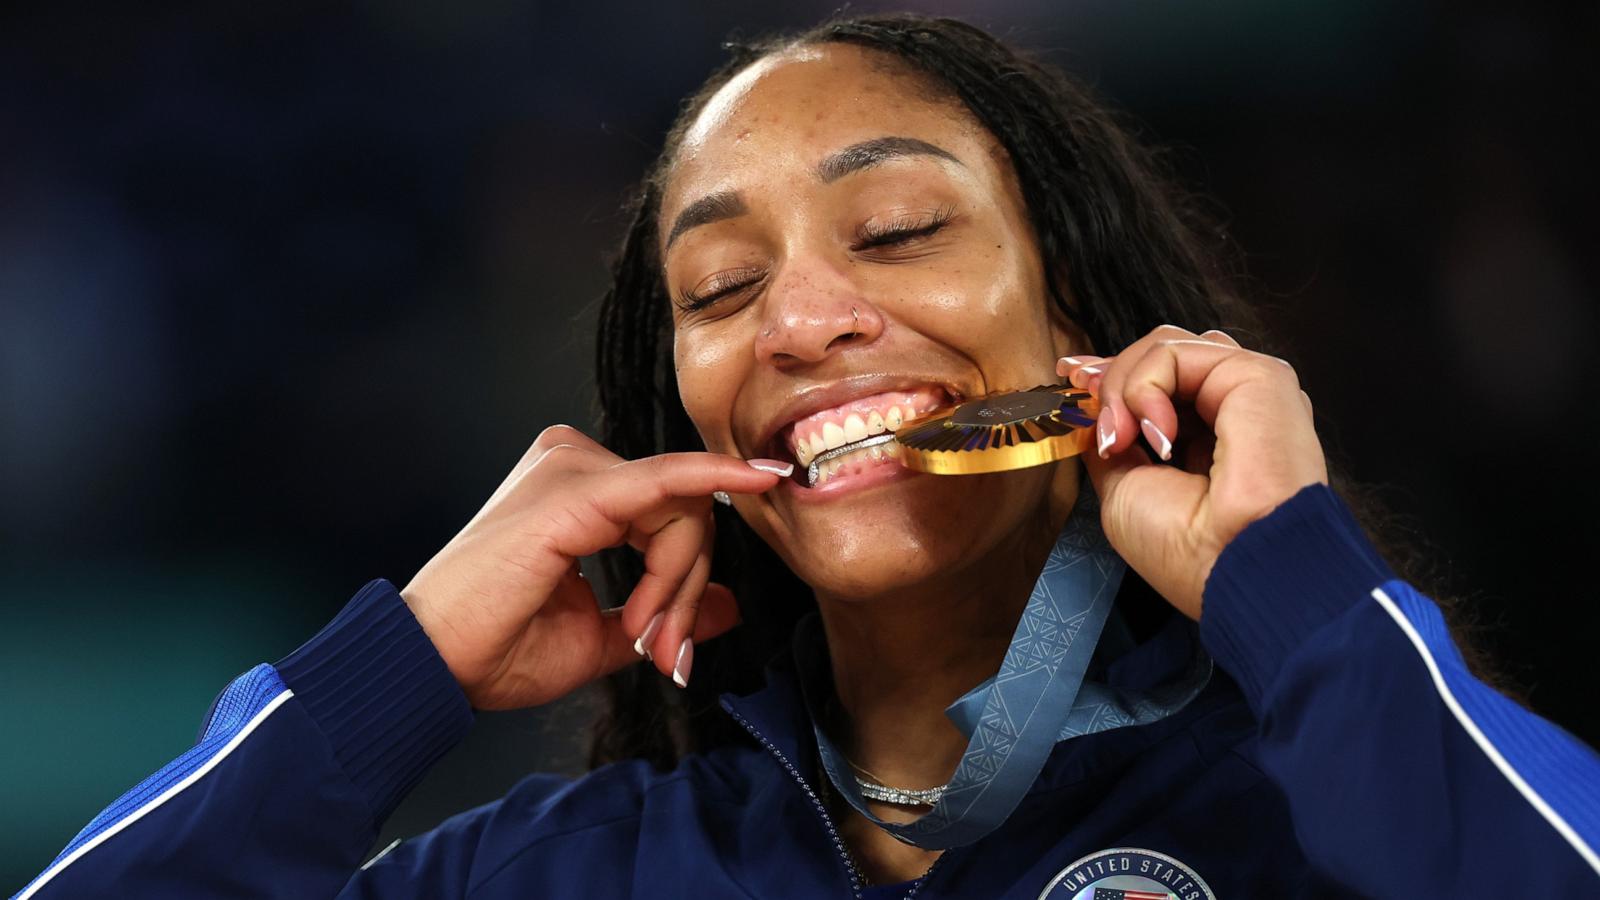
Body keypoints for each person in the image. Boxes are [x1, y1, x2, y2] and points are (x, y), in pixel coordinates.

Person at [13, 13, 1599, 900]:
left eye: (899, 229)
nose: (804, 321)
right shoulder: (575, 880)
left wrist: (1293, 593)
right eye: (721, 288)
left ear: (1089, 326)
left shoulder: (1324, 815)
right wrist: (397, 673)